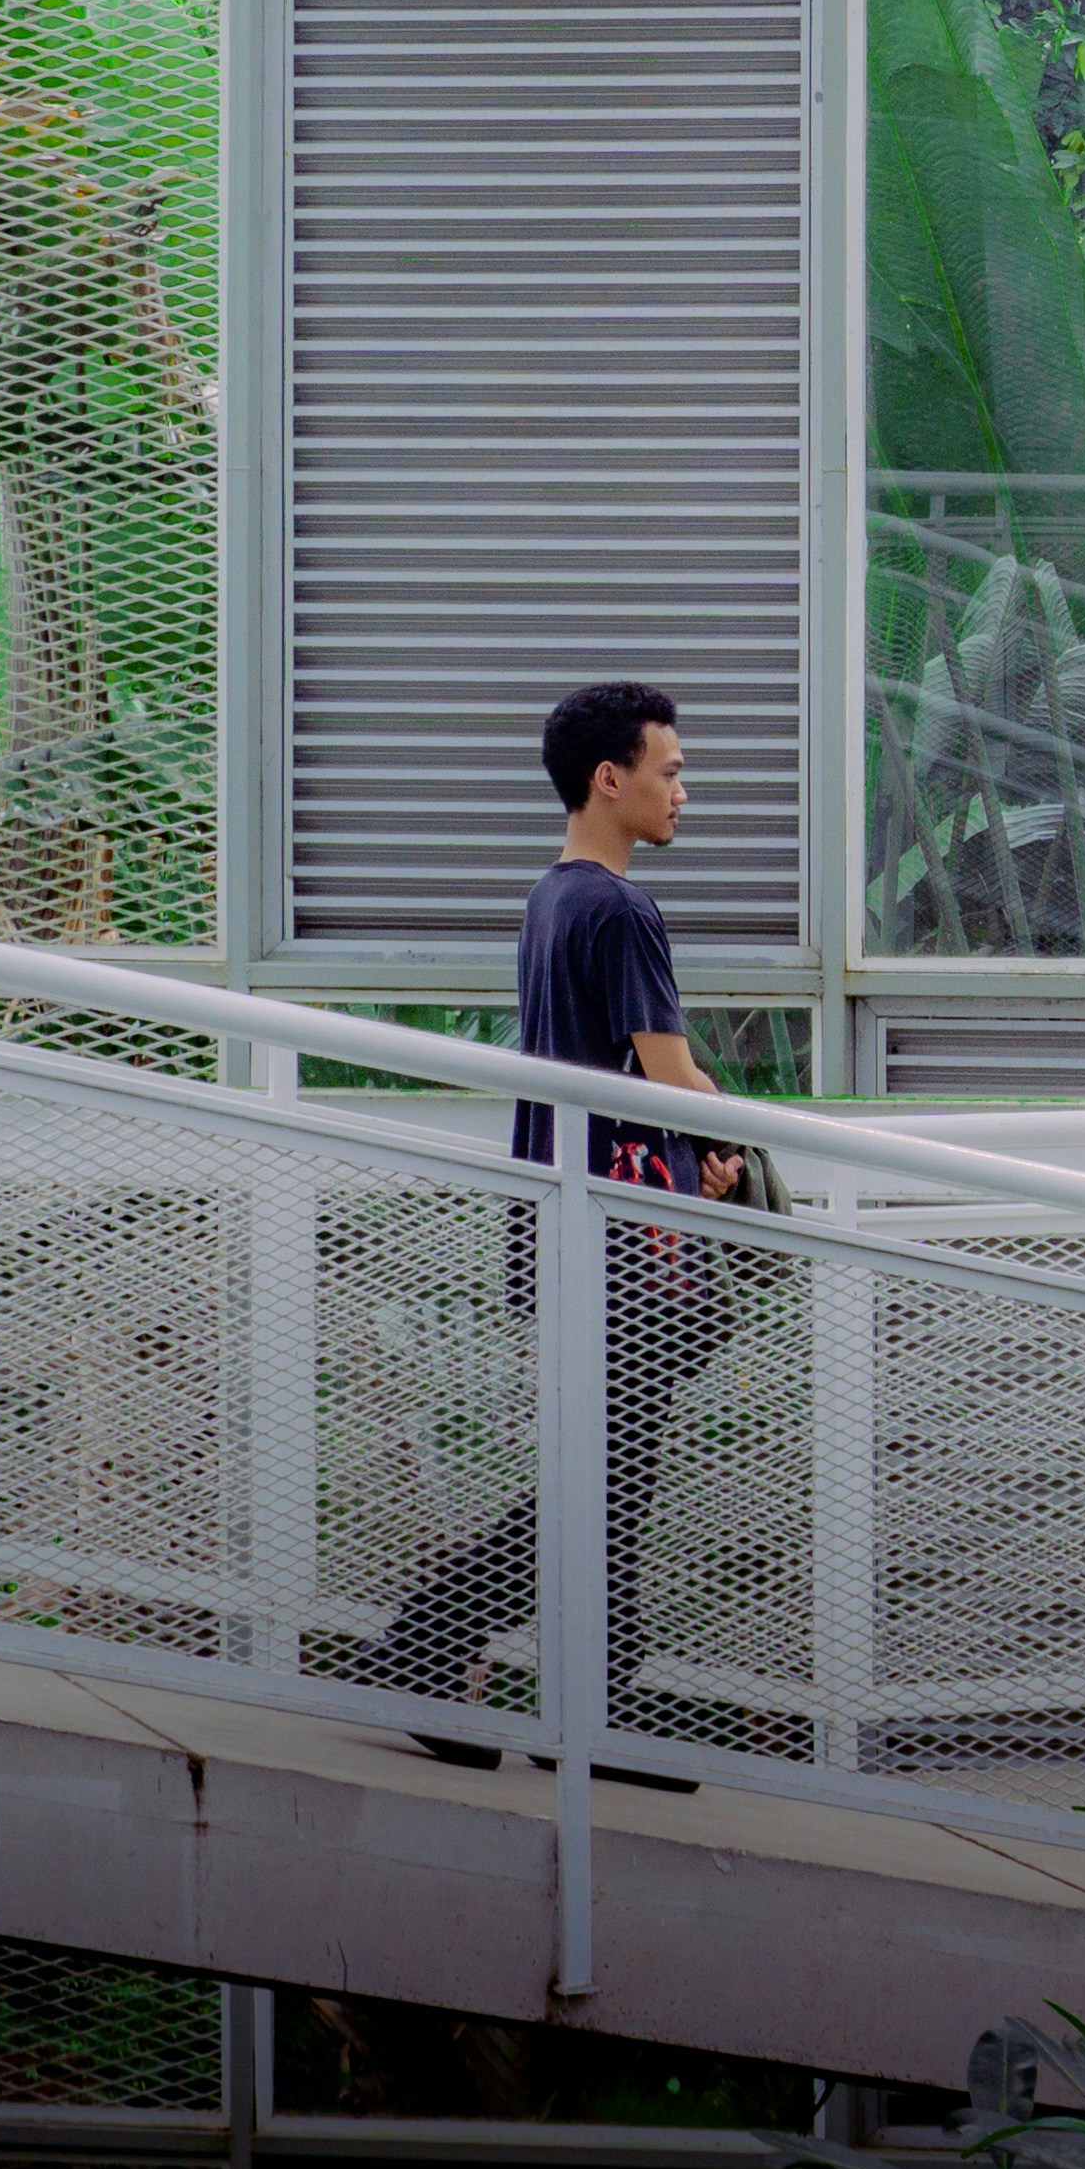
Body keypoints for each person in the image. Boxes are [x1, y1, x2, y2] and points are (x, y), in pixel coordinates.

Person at [379, 681, 748, 1767]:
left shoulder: (552, 899)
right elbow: (668, 1078)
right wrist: (734, 1146)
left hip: (567, 1223)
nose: (684, 789)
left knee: (608, 1482)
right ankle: (427, 1641)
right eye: (669, 769)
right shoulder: (623, 910)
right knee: (600, 1485)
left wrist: (695, 1159)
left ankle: (588, 1713)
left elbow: (622, 1081)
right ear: (610, 778)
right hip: (623, 1246)